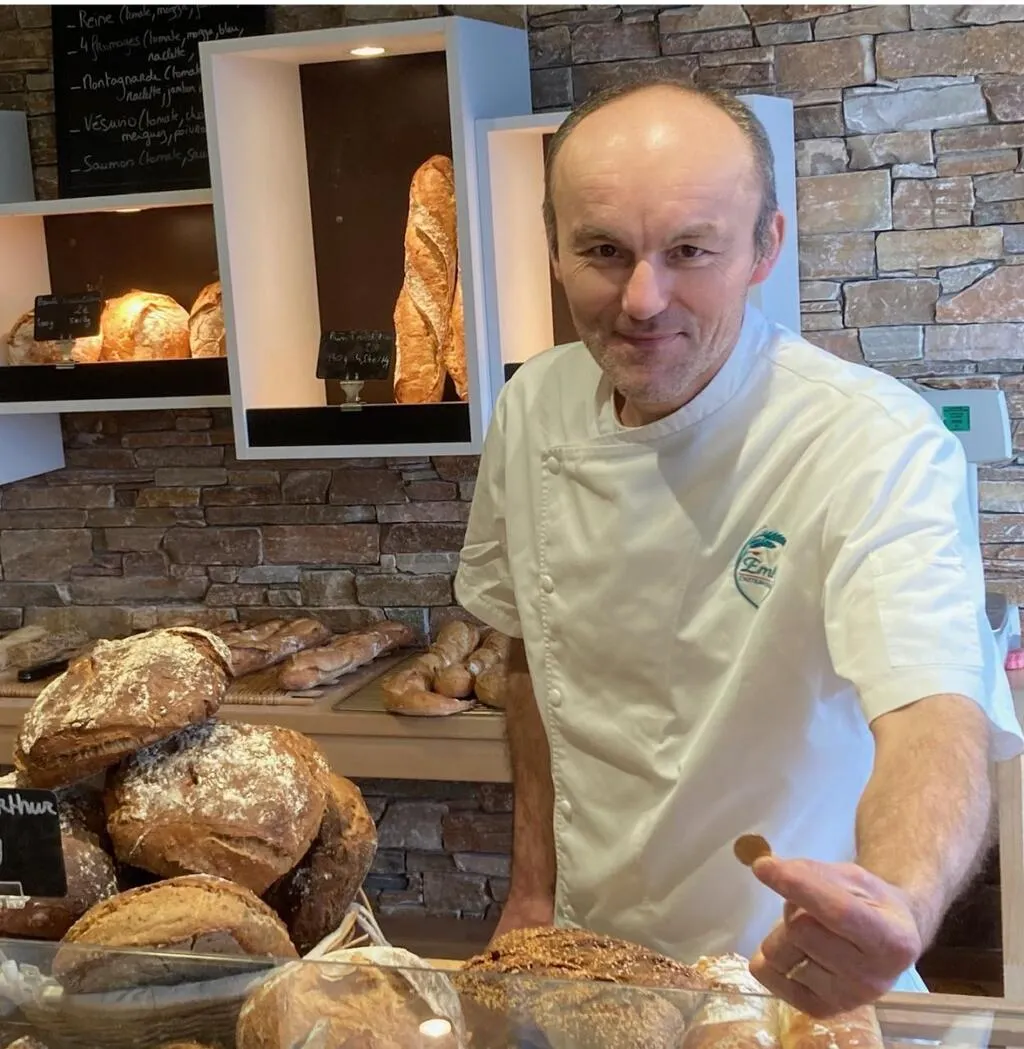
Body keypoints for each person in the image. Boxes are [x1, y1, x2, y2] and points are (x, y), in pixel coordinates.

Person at [453, 76, 1024, 1018]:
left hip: (793, 978)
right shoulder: (532, 409)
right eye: (603, 250)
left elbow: (934, 709)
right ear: (551, 247)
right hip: (594, 967)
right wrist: (531, 892)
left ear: (766, 247)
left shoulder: (870, 441)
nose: (643, 299)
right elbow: (529, 660)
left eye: (690, 251)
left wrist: (898, 903)